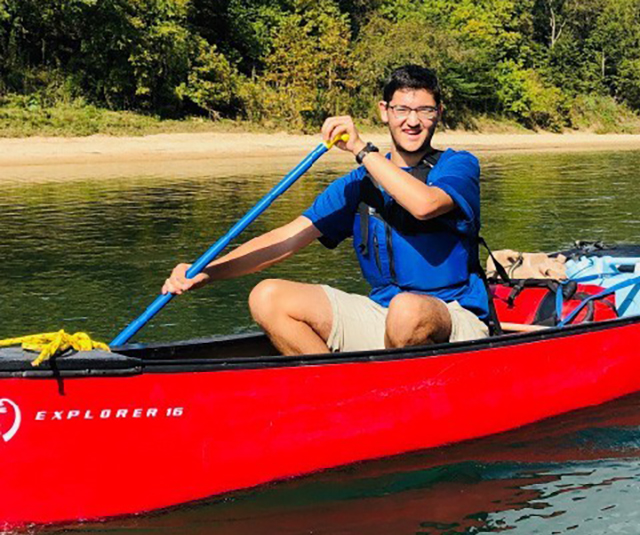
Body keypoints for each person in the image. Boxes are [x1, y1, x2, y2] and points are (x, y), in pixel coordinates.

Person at [162, 65, 490, 355]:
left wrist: (362, 149)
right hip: (382, 314)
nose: (413, 121)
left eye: (425, 110)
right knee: (267, 296)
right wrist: (209, 270)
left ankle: (374, 393)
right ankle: (340, 388)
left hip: (453, 316)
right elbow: (287, 238)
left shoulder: (457, 165)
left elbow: (424, 205)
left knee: (406, 311)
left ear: (439, 113)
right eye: (402, 109)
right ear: (384, 111)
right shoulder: (359, 184)